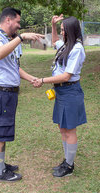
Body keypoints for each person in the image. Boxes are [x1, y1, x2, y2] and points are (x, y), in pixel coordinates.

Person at [0, 7, 44, 182]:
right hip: (2, 93)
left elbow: (14, 67)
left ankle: (1, 165)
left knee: (2, 131)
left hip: (8, 94)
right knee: (1, 132)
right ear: (8, 20)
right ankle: (0, 172)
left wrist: (31, 78)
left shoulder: (6, 39)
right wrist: (21, 38)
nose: (19, 26)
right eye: (18, 22)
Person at [33, 15, 87, 177]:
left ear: (70, 31)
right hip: (61, 92)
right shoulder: (66, 45)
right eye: (61, 29)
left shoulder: (77, 49)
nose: (61, 32)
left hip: (70, 91)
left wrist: (42, 80)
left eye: (64, 30)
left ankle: (69, 166)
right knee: (62, 127)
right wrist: (53, 25)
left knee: (69, 129)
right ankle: (66, 160)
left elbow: (66, 76)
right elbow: (54, 41)